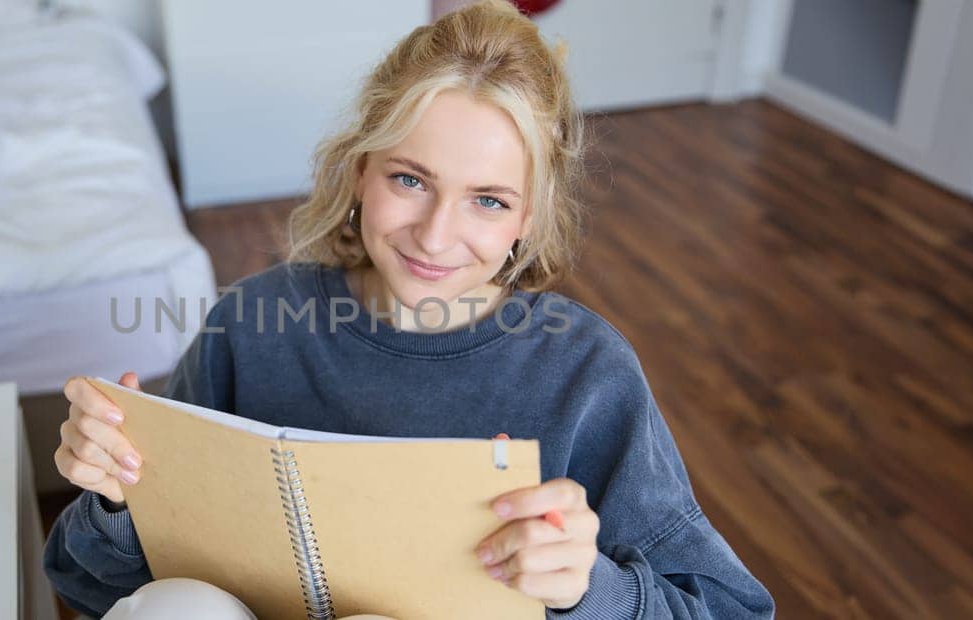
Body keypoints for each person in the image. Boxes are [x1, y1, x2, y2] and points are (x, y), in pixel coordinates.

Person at [44, 1, 775, 618]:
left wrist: (591, 589)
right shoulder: (252, 322)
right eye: (409, 178)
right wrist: (116, 502)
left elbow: (732, 608)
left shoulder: (585, 372)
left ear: (529, 217)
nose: (435, 235)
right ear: (360, 170)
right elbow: (82, 583)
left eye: (488, 200)